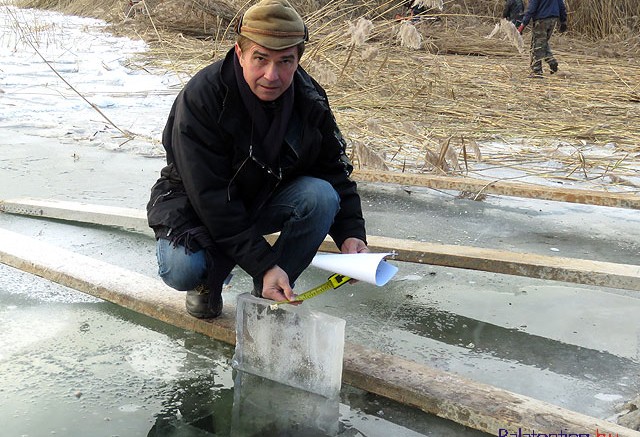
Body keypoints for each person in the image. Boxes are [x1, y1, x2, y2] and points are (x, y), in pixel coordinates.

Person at [146, 0, 369, 319]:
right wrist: (262, 261)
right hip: (197, 204)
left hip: (264, 196)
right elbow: (211, 197)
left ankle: (269, 291)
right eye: (260, 59)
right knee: (181, 268)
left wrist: (351, 235)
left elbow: (333, 169)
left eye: (285, 61)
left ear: (298, 59)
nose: (272, 75)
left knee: (321, 197)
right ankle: (209, 283)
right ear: (240, 54)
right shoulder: (204, 97)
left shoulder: (309, 99)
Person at [517, 0, 568, 77]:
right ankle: (552, 62)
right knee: (542, 43)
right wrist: (563, 21)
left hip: (541, 19)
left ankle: (537, 71)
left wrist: (523, 24)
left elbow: (531, 9)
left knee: (537, 45)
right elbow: (561, 6)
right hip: (553, 19)